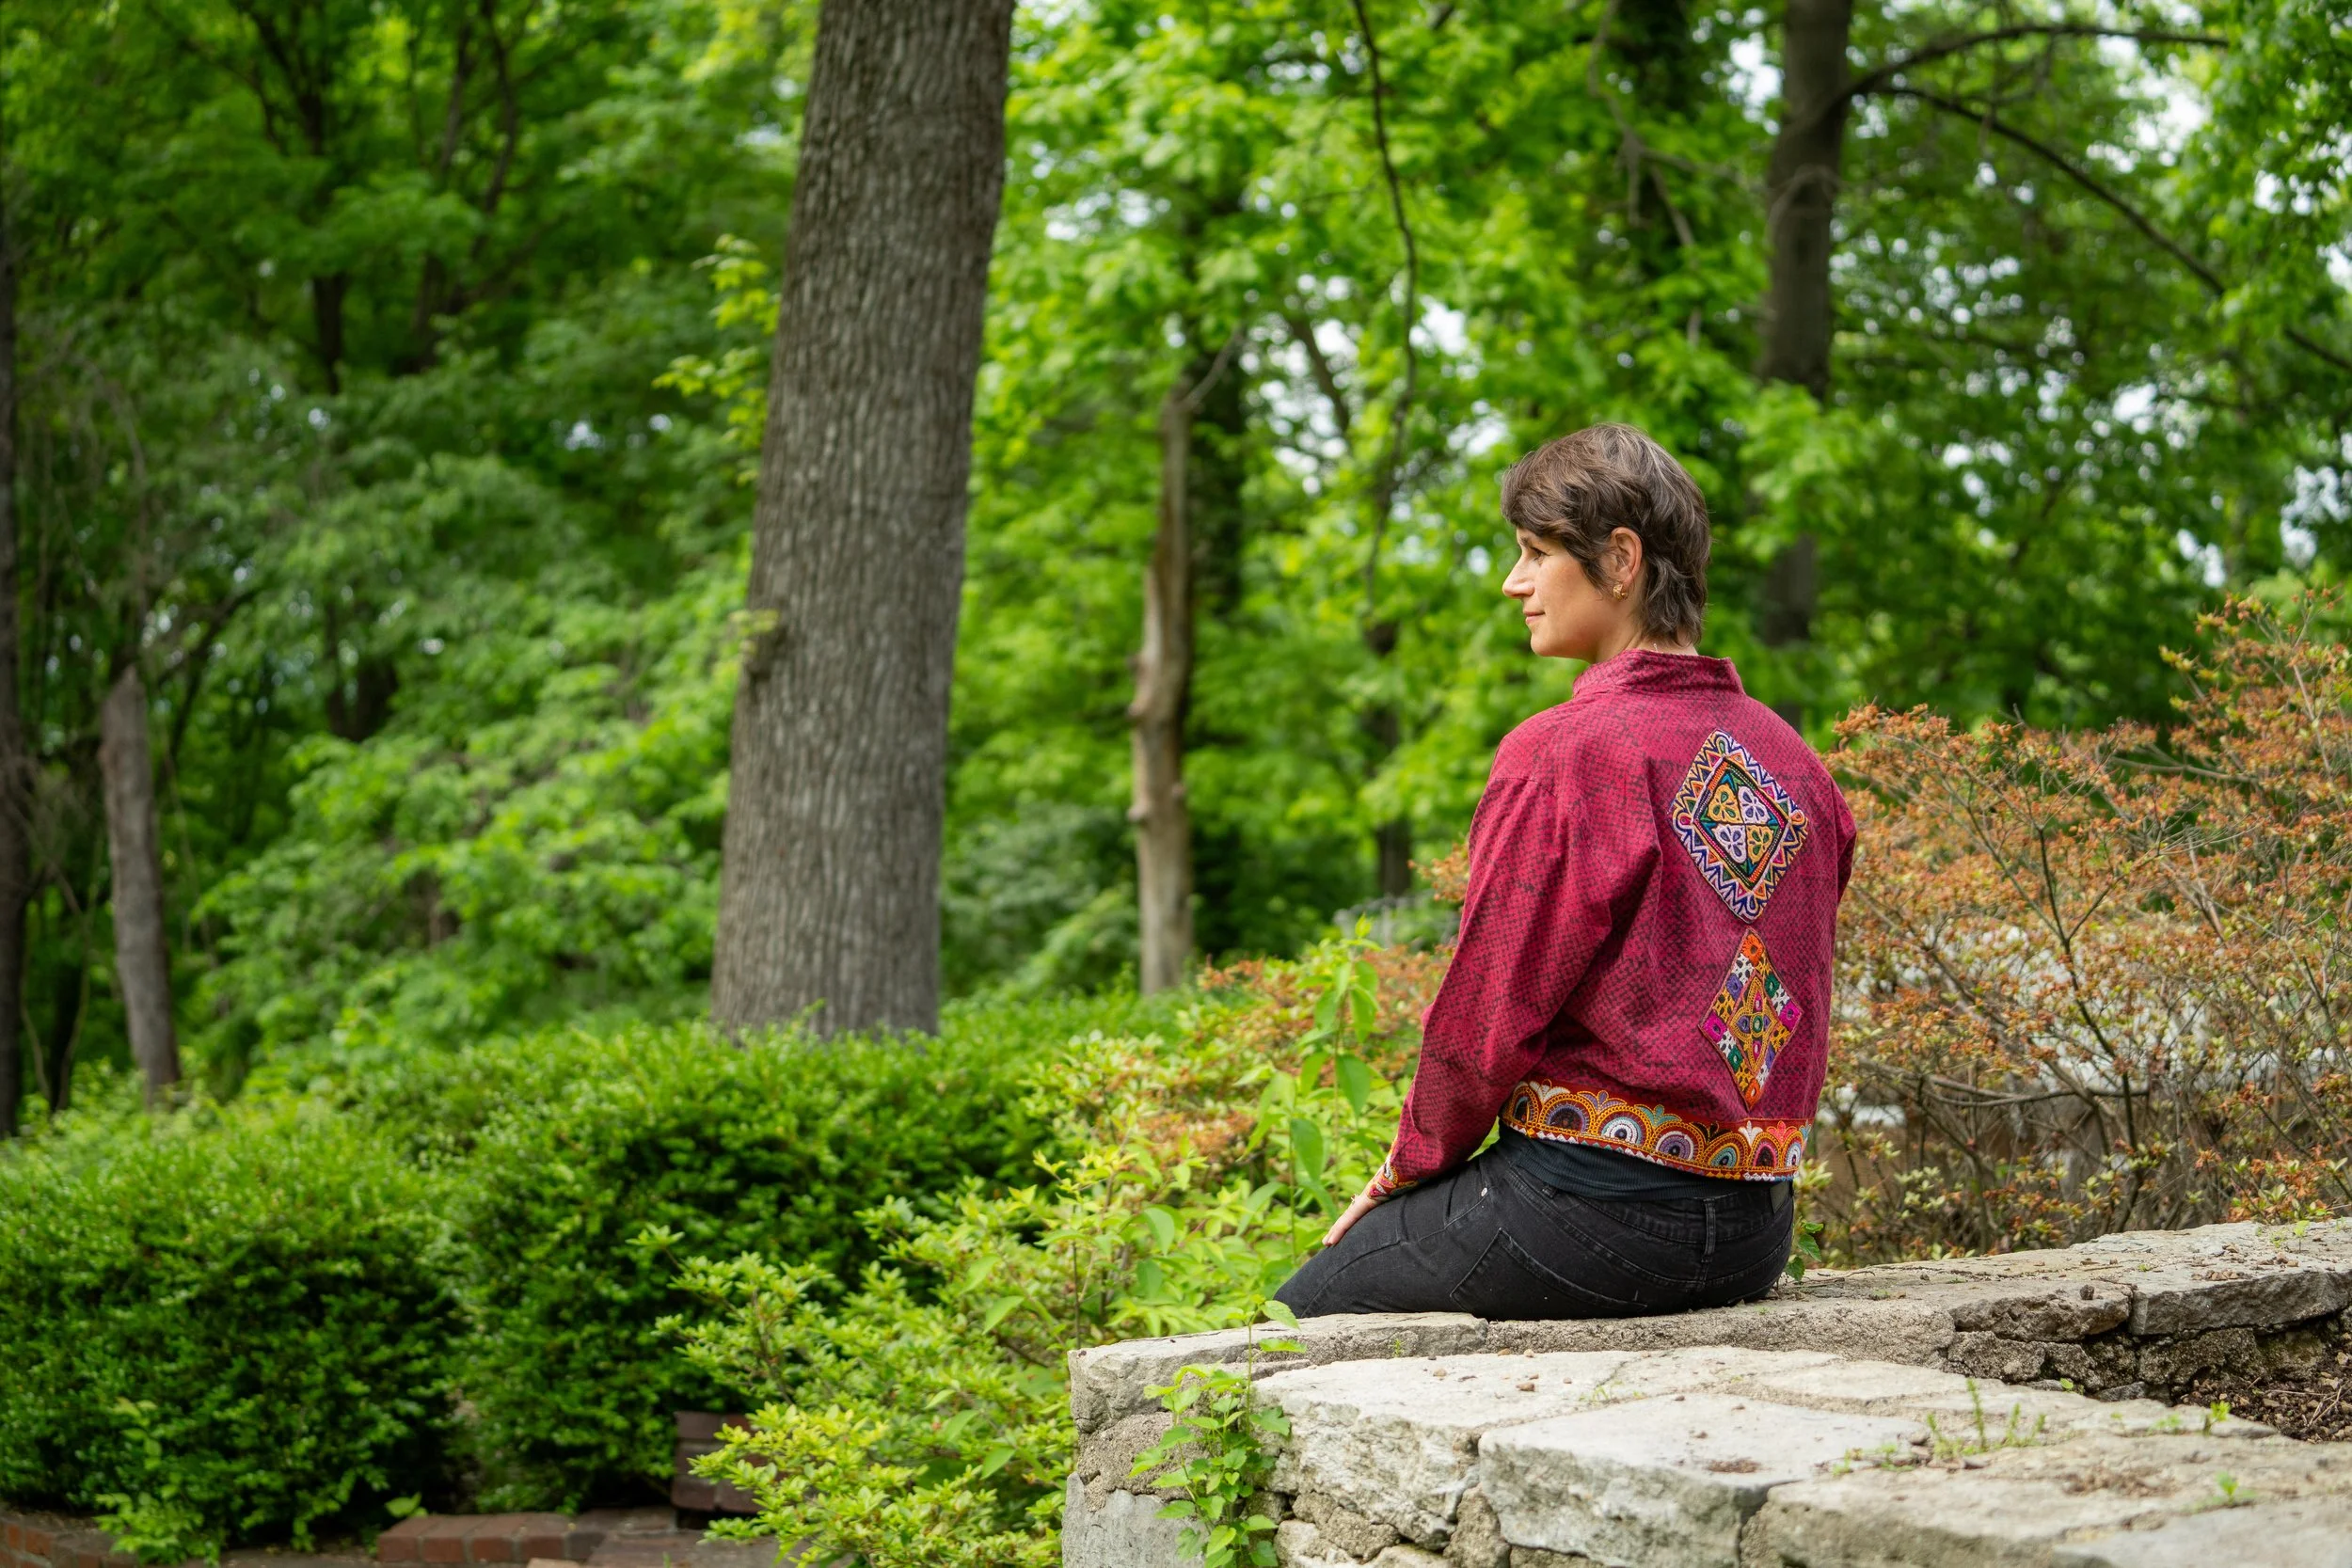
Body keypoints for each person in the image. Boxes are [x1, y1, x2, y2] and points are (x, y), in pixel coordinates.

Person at [1274, 423, 1855, 1321]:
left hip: (1588, 1217)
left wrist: (1406, 1168)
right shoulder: (1797, 764)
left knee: (1294, 1323)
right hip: (1755, 1233)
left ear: (1620, 559)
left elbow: (1489, 1010)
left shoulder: (1568, 751)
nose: (1515, 583)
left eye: (1536, 553)